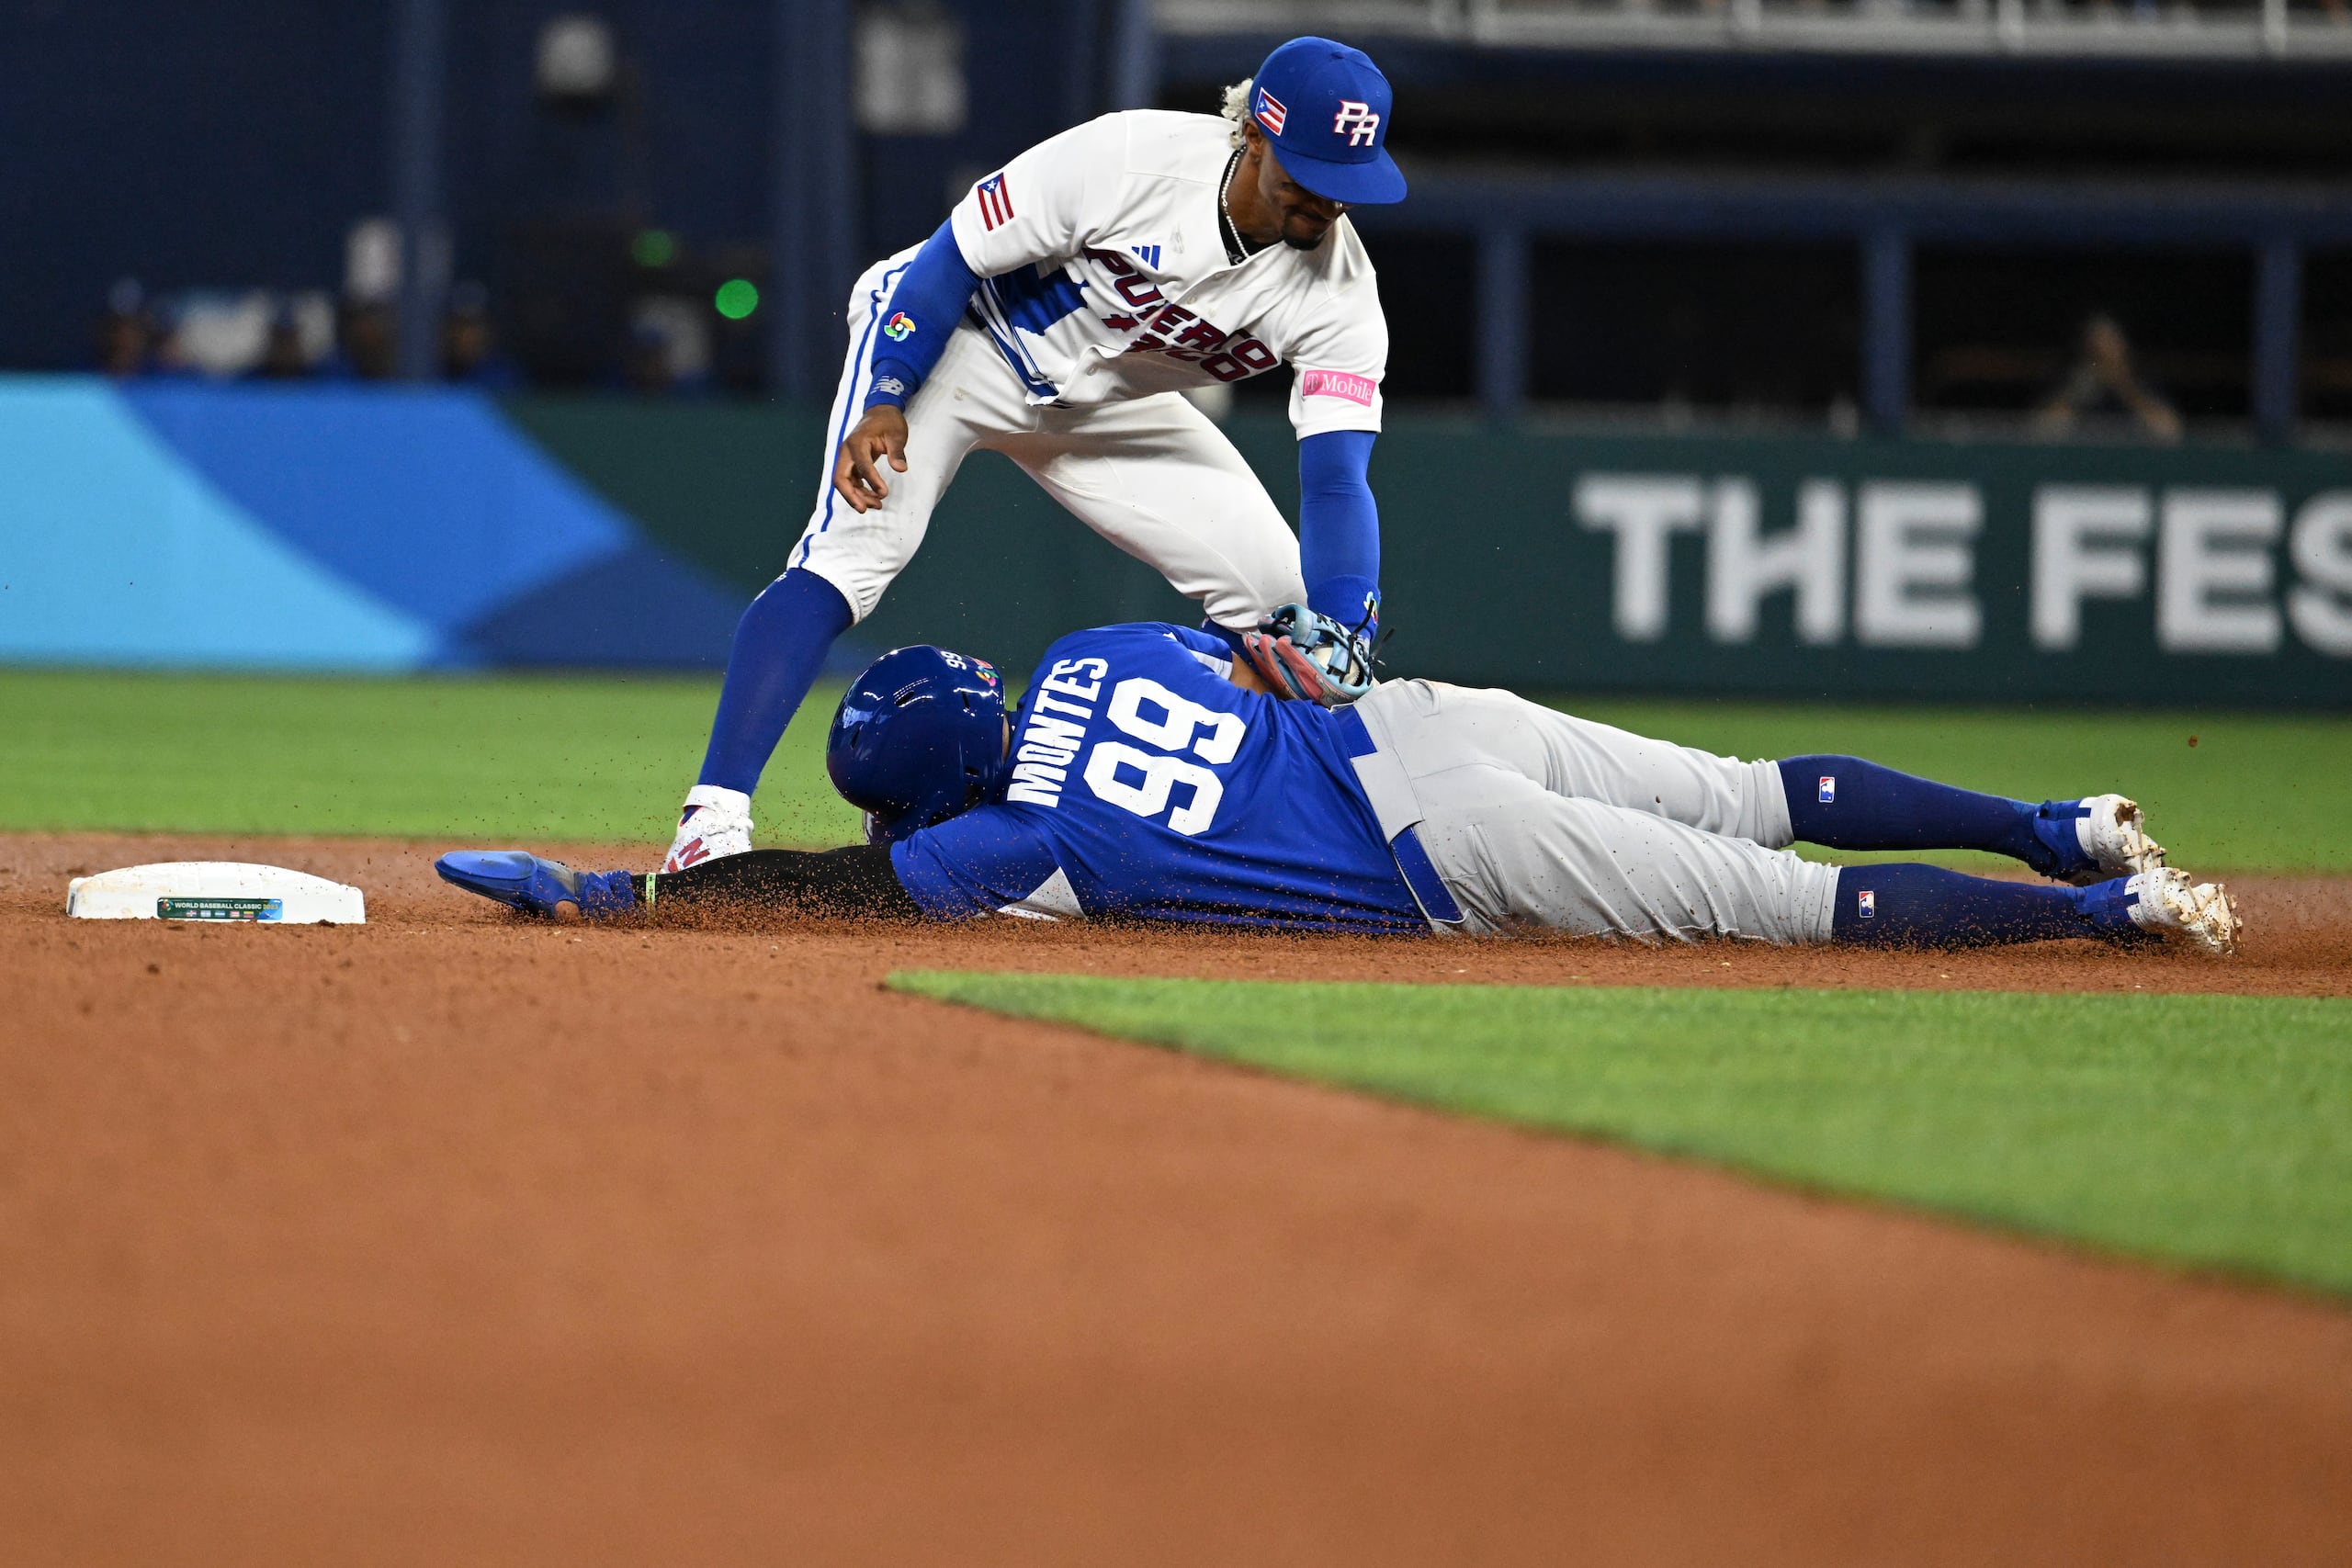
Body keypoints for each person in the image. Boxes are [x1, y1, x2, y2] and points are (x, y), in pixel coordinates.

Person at [659, 35, 1406, 875]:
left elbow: (1338, 474)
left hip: (1104, 404)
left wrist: (1346, 611)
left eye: (1349, 179)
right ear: (1255, 135)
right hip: (960, 341)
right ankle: (710, 822)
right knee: (855, 554)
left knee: (1288, 610)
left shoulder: (1342, 295)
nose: (1329, 200)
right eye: (1310, 171)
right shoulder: (1130, 158)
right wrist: (889, 392)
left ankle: (1247, 832)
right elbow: (951, 257)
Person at [437, 612, 2242, 955]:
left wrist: (620, 895)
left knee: (1774, 908)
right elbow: (1255, 652)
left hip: (1432, 839)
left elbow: (826, 895)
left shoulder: (1008, 837)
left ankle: (2097, 911)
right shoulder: (1084, 650)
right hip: (1437, 723)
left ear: (915, 795)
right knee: (1753, 790)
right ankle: (2053, 821)